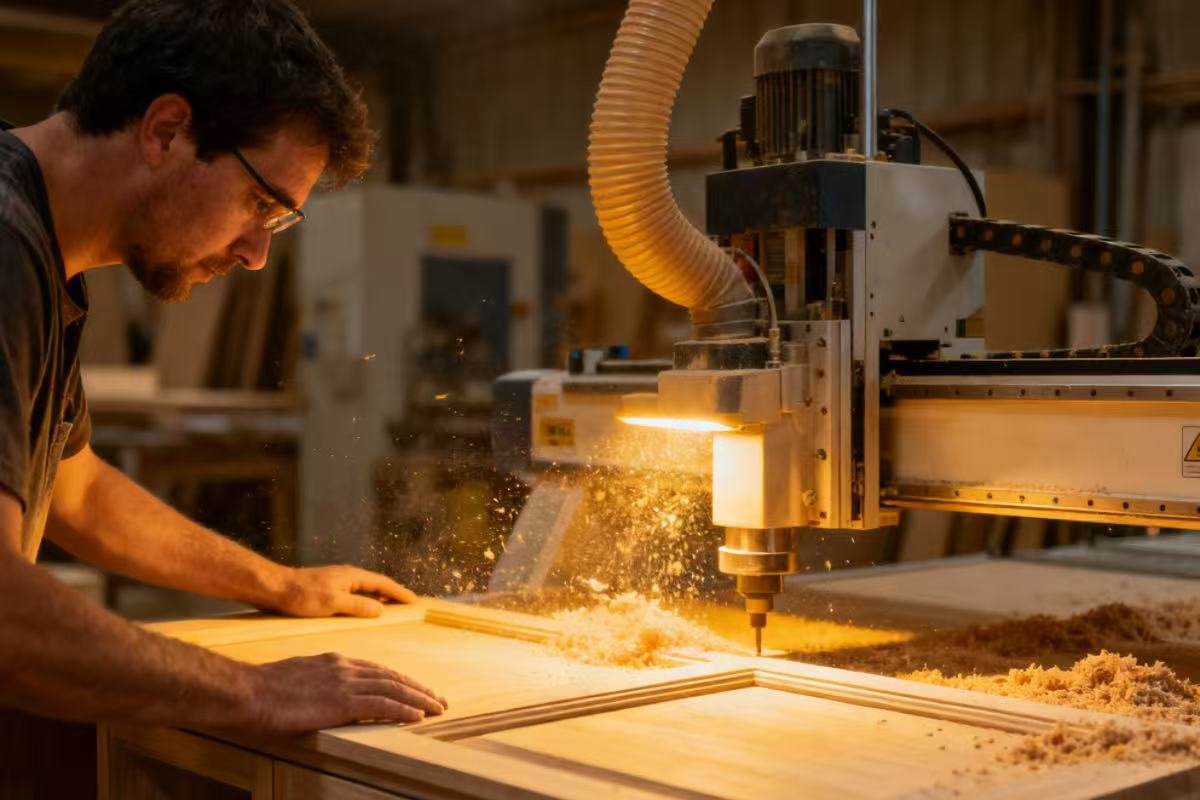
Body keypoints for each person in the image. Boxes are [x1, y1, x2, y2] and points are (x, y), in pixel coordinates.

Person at [0, 0, 446, 735]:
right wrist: (257, 692)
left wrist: (283, 584)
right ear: (166, 131)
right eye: (258, 204)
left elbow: (76, 490)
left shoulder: (43, 257)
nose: (256, 253)